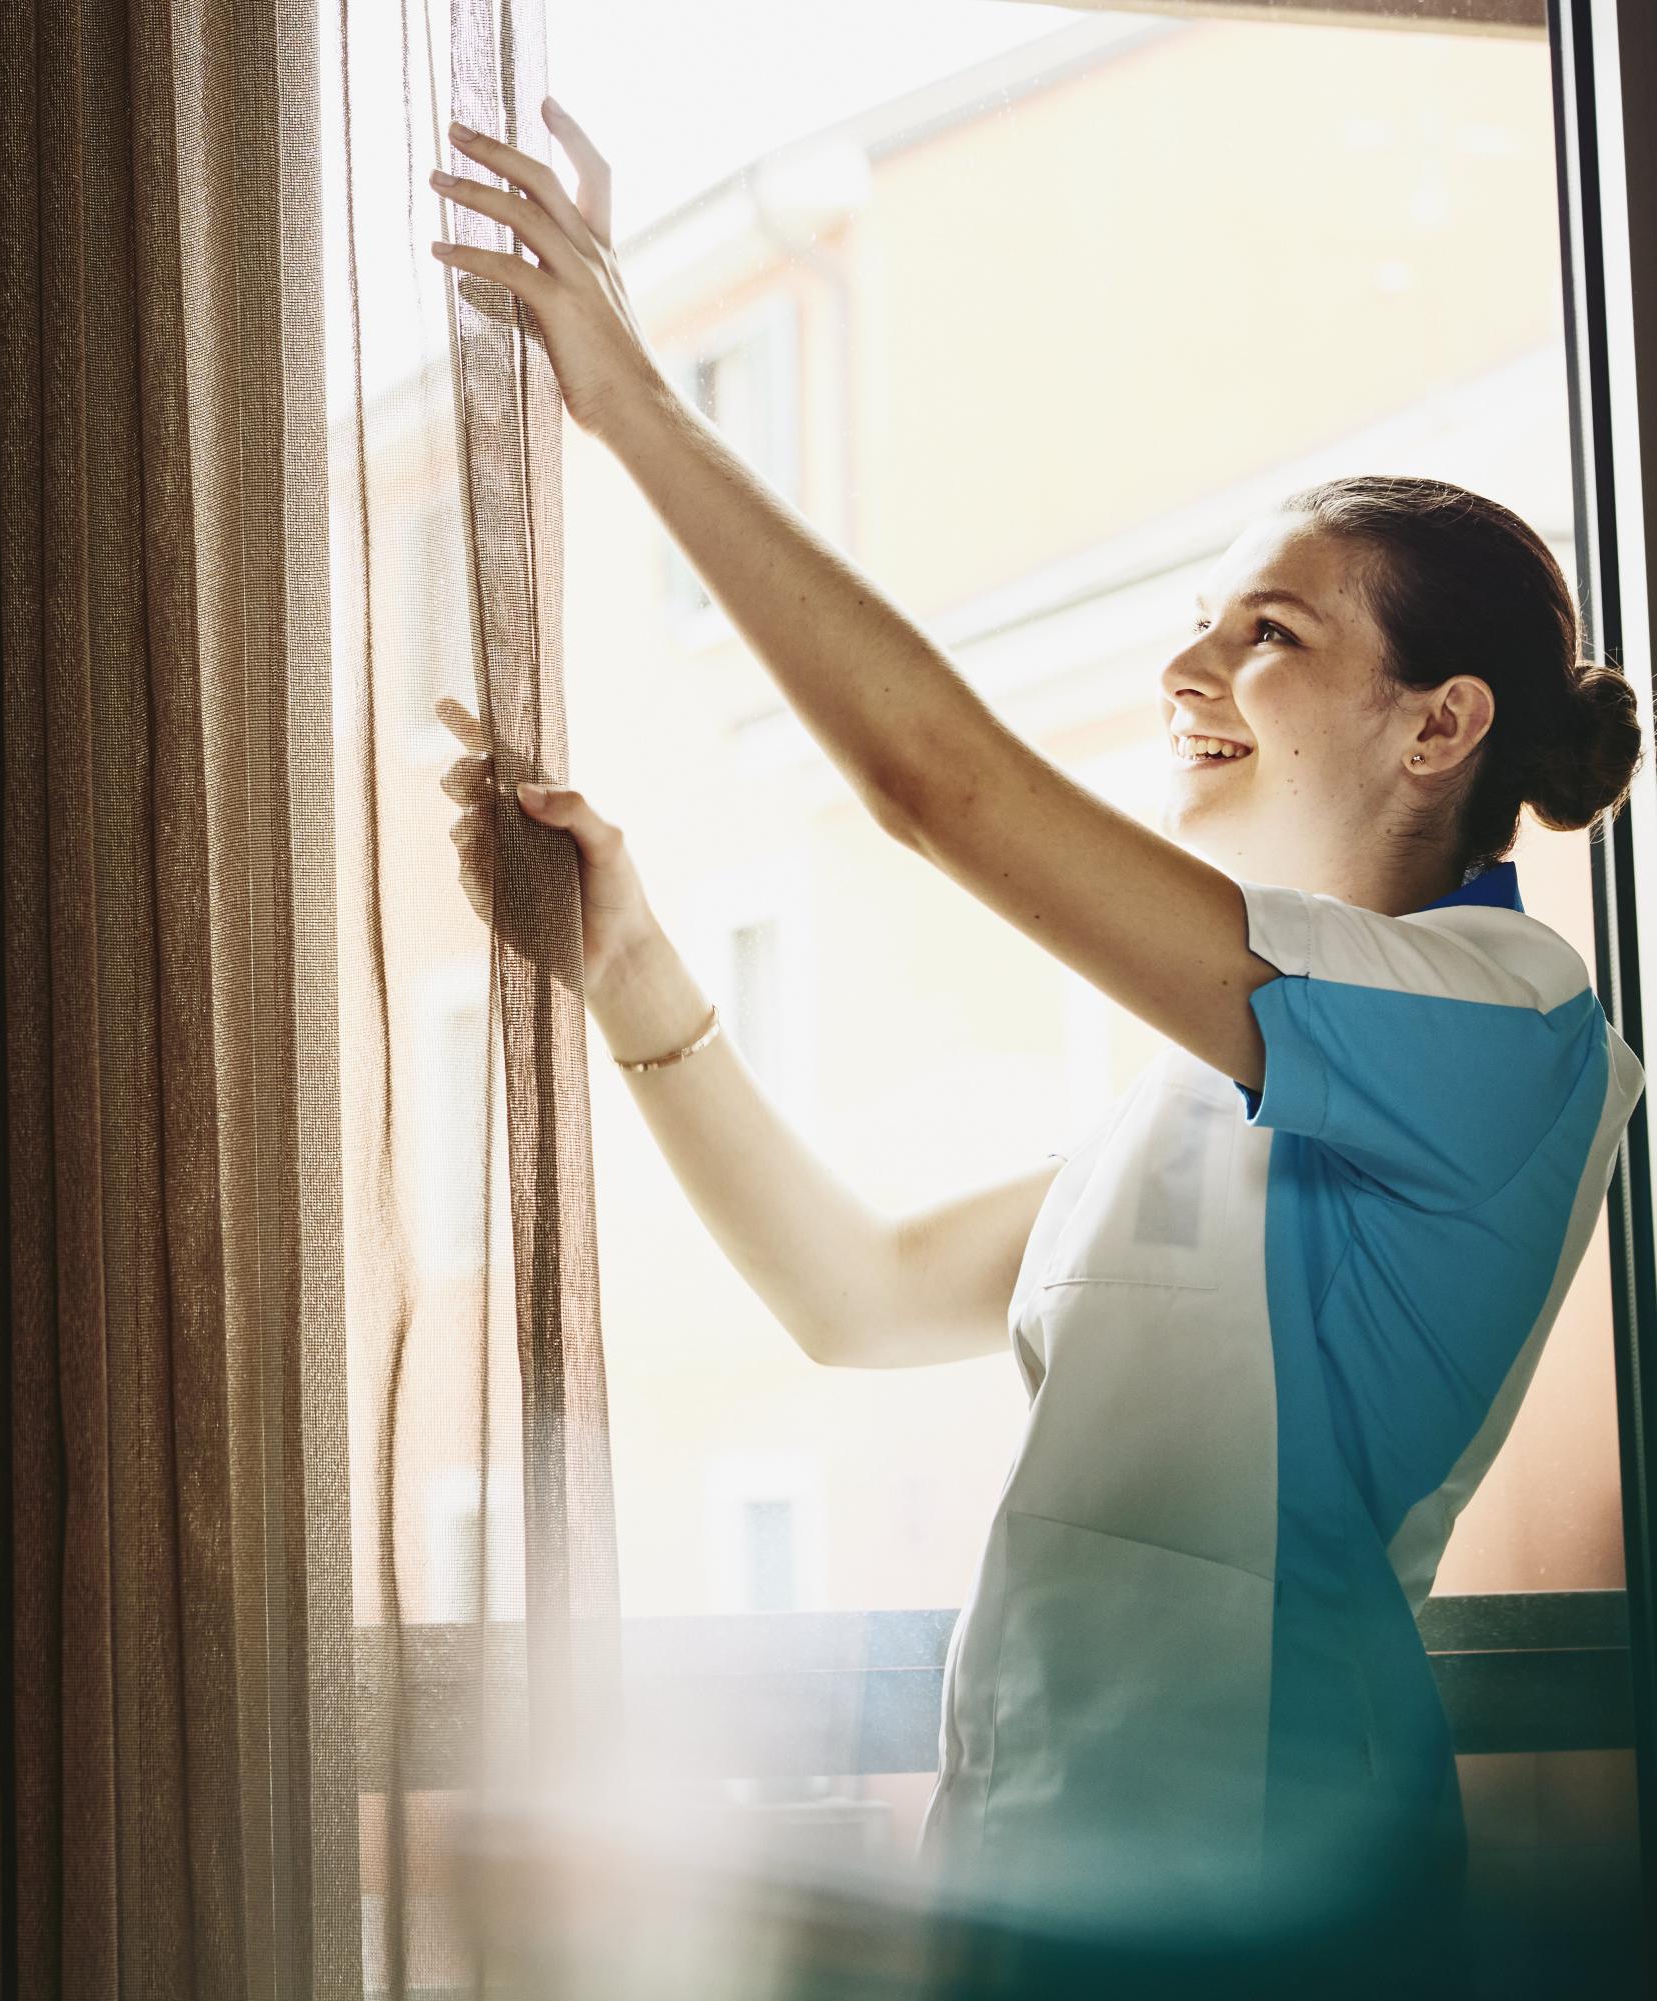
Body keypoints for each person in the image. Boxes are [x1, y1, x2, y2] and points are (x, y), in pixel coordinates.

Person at [428, 98, 1649, 1983]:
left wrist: (635, 405)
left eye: (1270, 634)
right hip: (1039, 1878)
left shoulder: (1512, 1024)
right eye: (1198, 619)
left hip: (1282, 1900)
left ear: (1441, 725)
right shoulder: (1209, 1088)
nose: (1187, 673)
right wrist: (632, 962)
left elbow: (937, 785)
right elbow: (857, 1294)